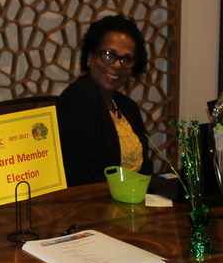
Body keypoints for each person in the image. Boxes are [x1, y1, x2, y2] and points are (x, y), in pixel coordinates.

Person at [56, 14, 153, 186]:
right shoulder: (76, 100)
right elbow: (81, 177)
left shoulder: (128, 106)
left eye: (126, 59)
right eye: (108, 55)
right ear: (90, 56)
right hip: (97, 201)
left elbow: (146, 169)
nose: (117, 65)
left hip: (136, 198)